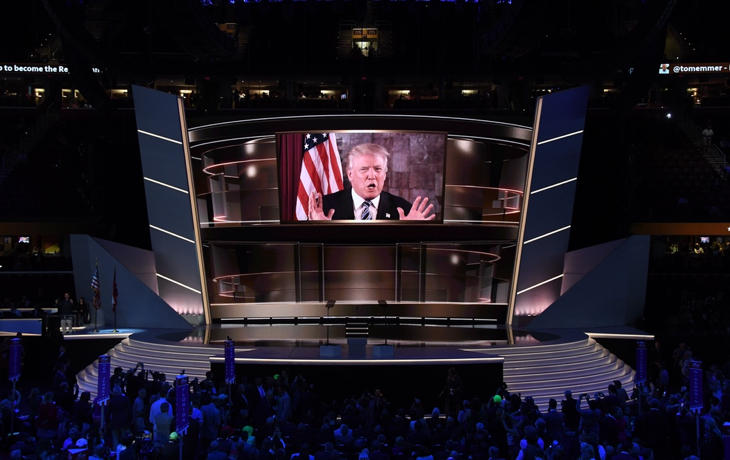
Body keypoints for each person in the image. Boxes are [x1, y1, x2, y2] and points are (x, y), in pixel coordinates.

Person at [308, 143, 435, 221]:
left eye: (378, 169)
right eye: (364, 169)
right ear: (350, 174)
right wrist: (318, 230)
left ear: (385, 174)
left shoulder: (404, 209)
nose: (372, 176)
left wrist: (414, 232)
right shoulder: (325, 207)